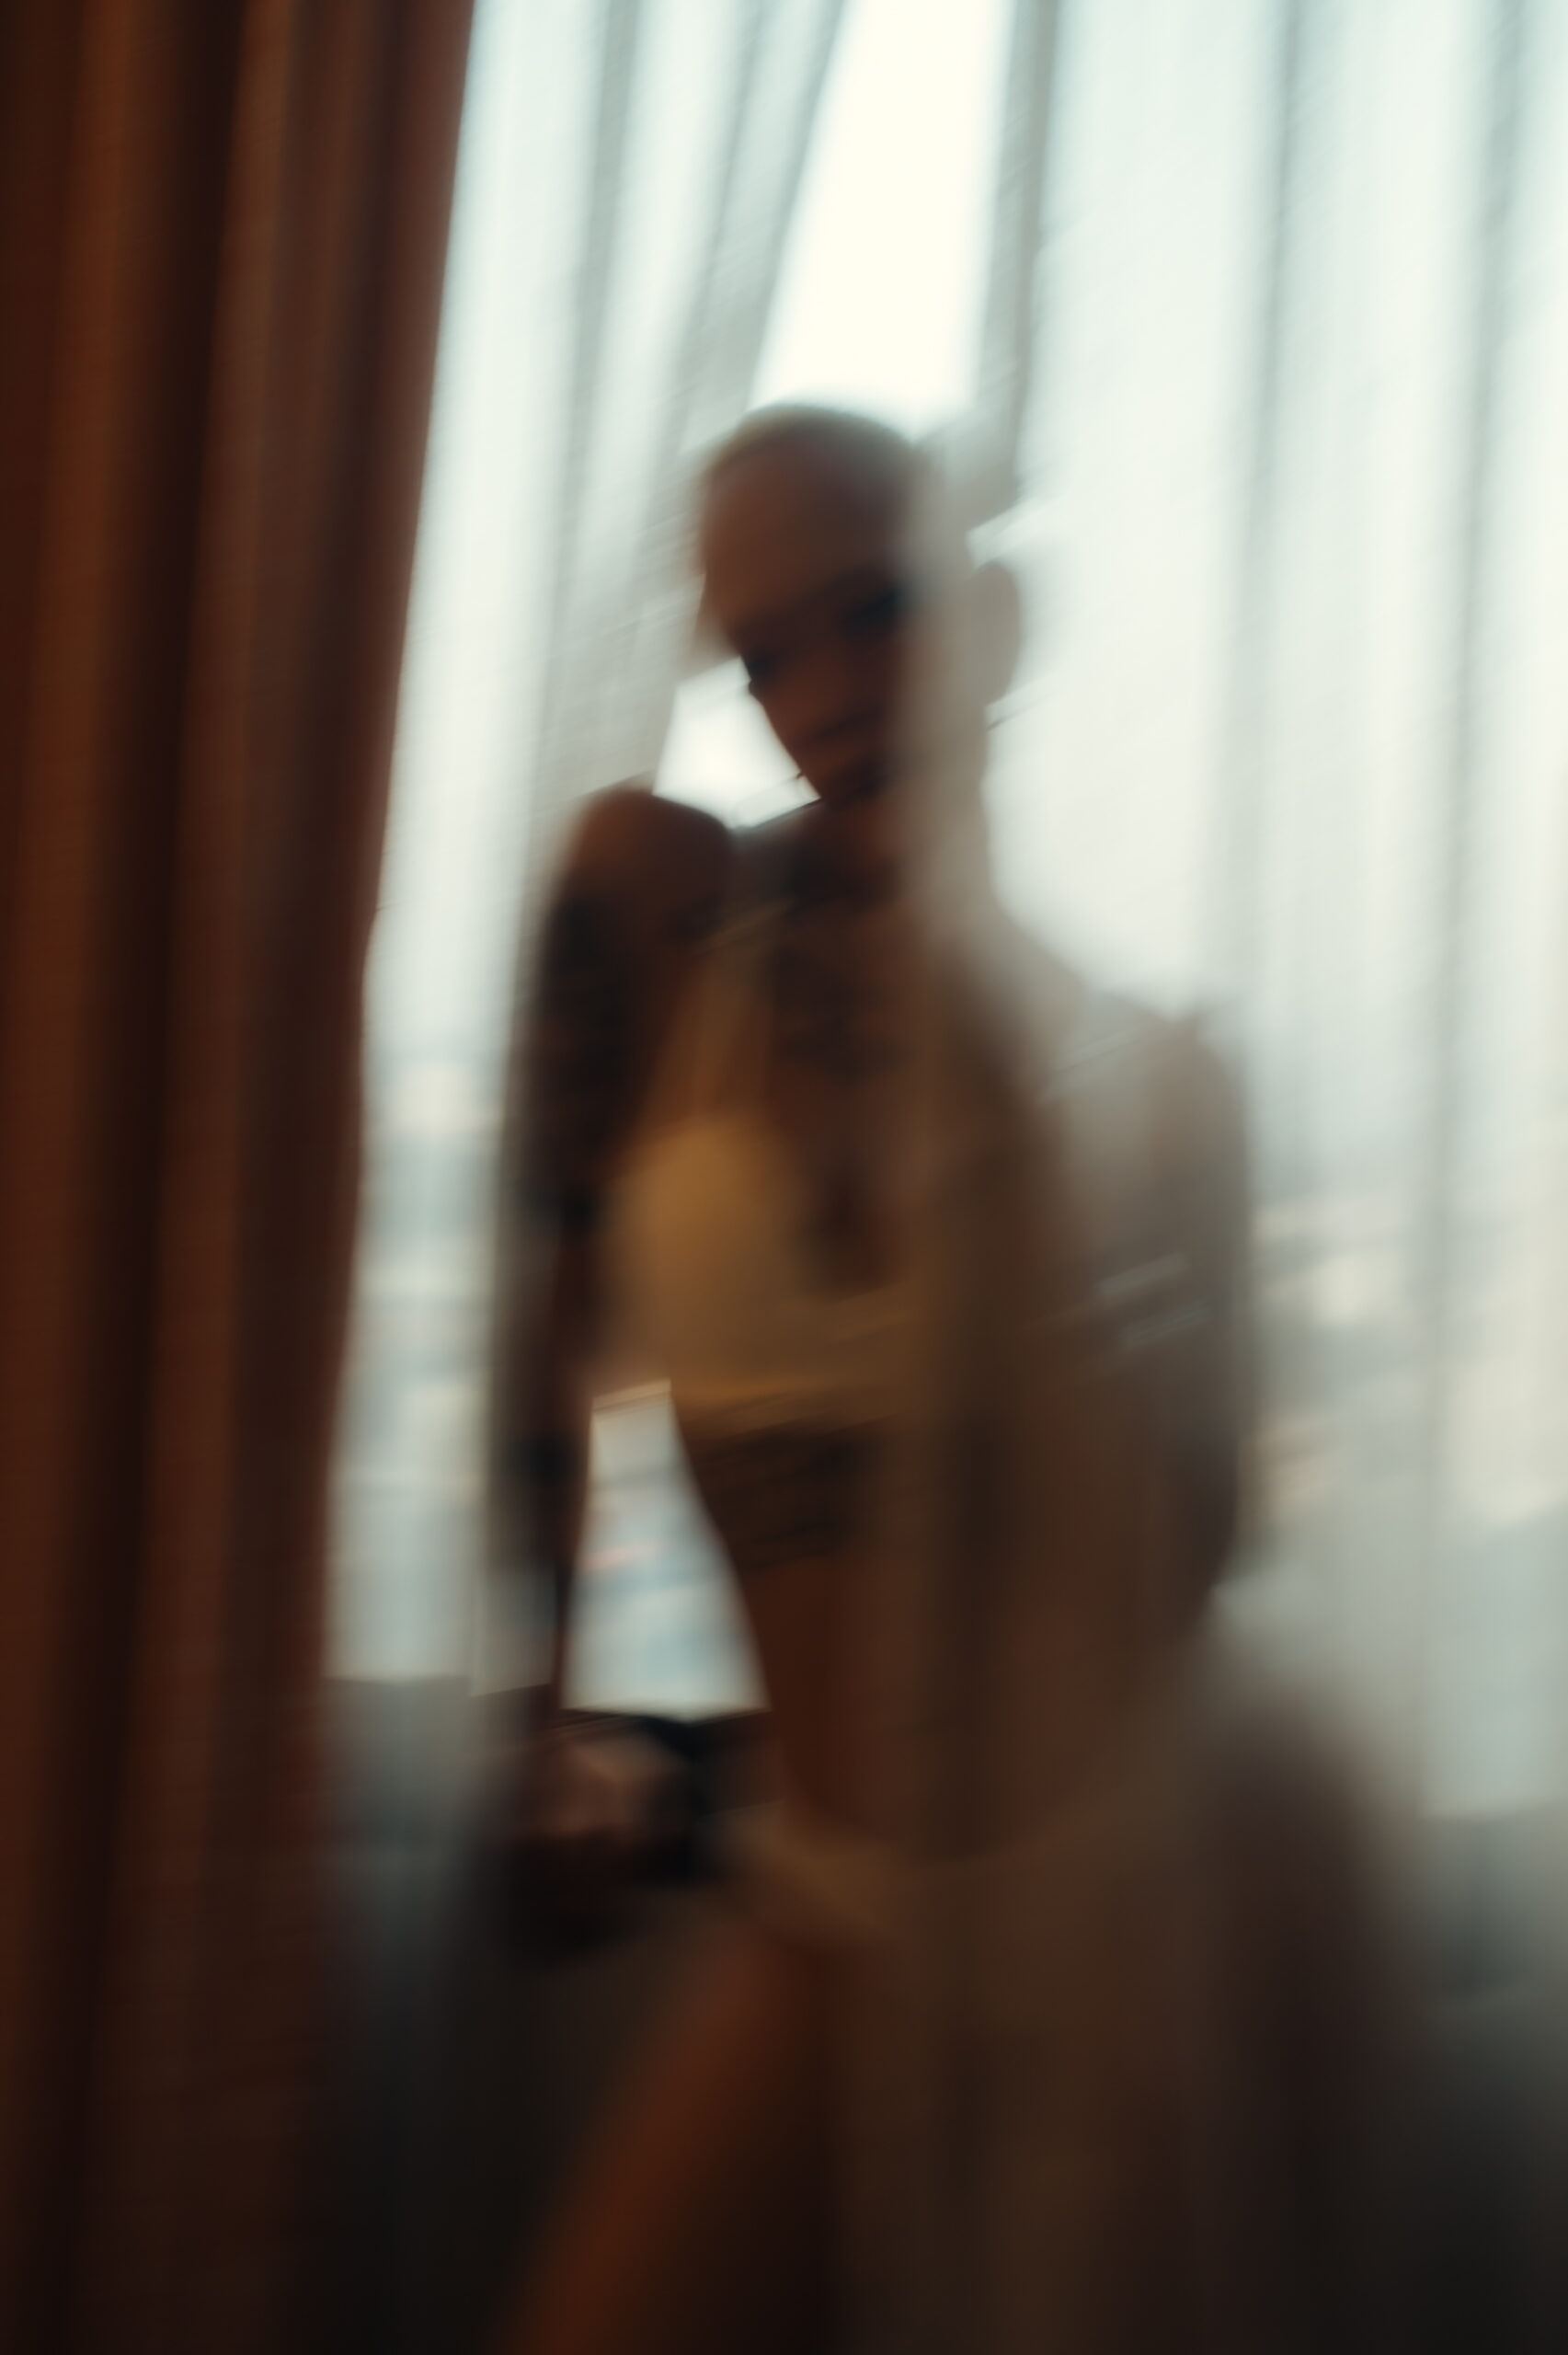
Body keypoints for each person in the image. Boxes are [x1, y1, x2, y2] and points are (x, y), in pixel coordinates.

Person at [494, 408, 1406, 2354]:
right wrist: (540, 1709)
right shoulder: (657, 907)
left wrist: (1004, 1132)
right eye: (768, 653)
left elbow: (1184, 1557)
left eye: (877, 611)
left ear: (993, 617)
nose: (831, 691)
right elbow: (548, 1310)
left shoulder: (1160, 1077)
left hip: (1132, 1891)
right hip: (837, 1892)